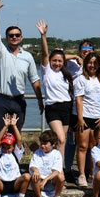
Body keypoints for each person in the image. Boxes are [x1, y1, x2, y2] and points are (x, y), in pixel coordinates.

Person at [0, 0, 41, 139]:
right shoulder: (0, 51)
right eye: (11, 35)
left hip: (19, 101)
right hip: (0, 100)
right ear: (6, 38)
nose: (14, 37)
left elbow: (35, 80)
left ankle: (15, 155)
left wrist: (40, 101)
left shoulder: (28, 56)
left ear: (21, 37)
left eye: (17, 35)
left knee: (16, 136)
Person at [35, 20, 73, 162]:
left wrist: (76, 56)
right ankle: (59, 170)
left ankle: (55, 167)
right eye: (54, 60)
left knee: (60, 142)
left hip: (67, 107)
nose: (57, 63)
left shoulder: (66, 74)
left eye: (60, 61)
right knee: (61, 140)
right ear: (50, 61)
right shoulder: (47, 71)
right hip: (53, 108)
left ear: (63, 62)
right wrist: (43, 36)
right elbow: (45, 54)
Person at [74, 51, 100, 188]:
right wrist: (80, 118)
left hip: (97, 117)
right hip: (84, 117)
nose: (92, 65)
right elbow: (79, 99)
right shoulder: (81, 79)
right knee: (82, 146)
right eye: (90, 63)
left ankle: (93, 172)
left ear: (99, 65)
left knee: (94, 147)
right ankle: (82, 174)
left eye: (95, 63)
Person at [64, 39, 94, 181]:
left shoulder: (94, 64)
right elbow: (57, 57)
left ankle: (88, 170)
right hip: (73, 106)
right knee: (72, 141)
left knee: (89, 143)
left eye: (89, 49)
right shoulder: (73, 64)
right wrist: (75, 57)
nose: (86, 51)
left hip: (90, 108)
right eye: (83, 49)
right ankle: (68, 169)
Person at [0, 113, 32, 197]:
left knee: (27, 176)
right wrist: (5, 126)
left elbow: (19, 140)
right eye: (4, 147)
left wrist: (14, 126)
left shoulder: (16, 154)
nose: (6, 149)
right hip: (1, 184)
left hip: (15, 183)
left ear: (13, 147)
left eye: (9, 147)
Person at [29, 130, 65, 197]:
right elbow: (32, 165)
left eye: (45, 144)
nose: (42, 146)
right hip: (39, 181)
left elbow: (56, 170)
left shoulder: (56, 154)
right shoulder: (37, 152)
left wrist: (45, 180)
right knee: (35, 175)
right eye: (41, 143)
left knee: (61, 177)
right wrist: (35, 170)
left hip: (51, 181)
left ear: (53, 144)